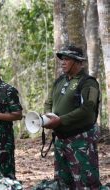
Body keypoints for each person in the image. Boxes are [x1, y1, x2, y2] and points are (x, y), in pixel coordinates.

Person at [43, 45, 102, 189]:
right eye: (62, 59)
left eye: (67, 59)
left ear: (77, 61)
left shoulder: (88, 83)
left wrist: (61, 120)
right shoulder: (60, 81)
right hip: (61, 139)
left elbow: (88, 109)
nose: (62, 62)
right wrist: (47, 116)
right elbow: (48, 101)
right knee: (63, 182)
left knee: (85, 182)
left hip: (80, 140)